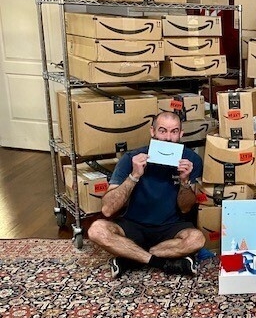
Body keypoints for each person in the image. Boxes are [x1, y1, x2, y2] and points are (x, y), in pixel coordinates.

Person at [87, 111, 205, 278]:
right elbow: (107, 209)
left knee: (197, 239)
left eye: (174, 132)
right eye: (162, 131)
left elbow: (186, 209)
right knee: (96, 230)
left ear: (181, 134)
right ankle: (161, 262)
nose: (167, 138)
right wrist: (133, 176)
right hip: (133, 224)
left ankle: (131, 258)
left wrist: (185, 182)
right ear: (152, 132)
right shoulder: (131, 158)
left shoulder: (191, 160)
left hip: (170, 227)